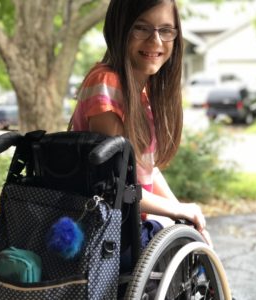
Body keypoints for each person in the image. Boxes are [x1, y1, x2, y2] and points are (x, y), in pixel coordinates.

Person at [69, 0, 212, 246]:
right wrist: (178, 213)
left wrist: (185, 214)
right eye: (141, 28)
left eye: (165, 30)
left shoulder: (139, 94)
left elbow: (147, 169)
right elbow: (115, 186)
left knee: (192, 240)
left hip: (126, 225)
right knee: (187, 250)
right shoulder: (107, 82)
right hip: (106, 232)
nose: (155, 41)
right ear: (119, 29)